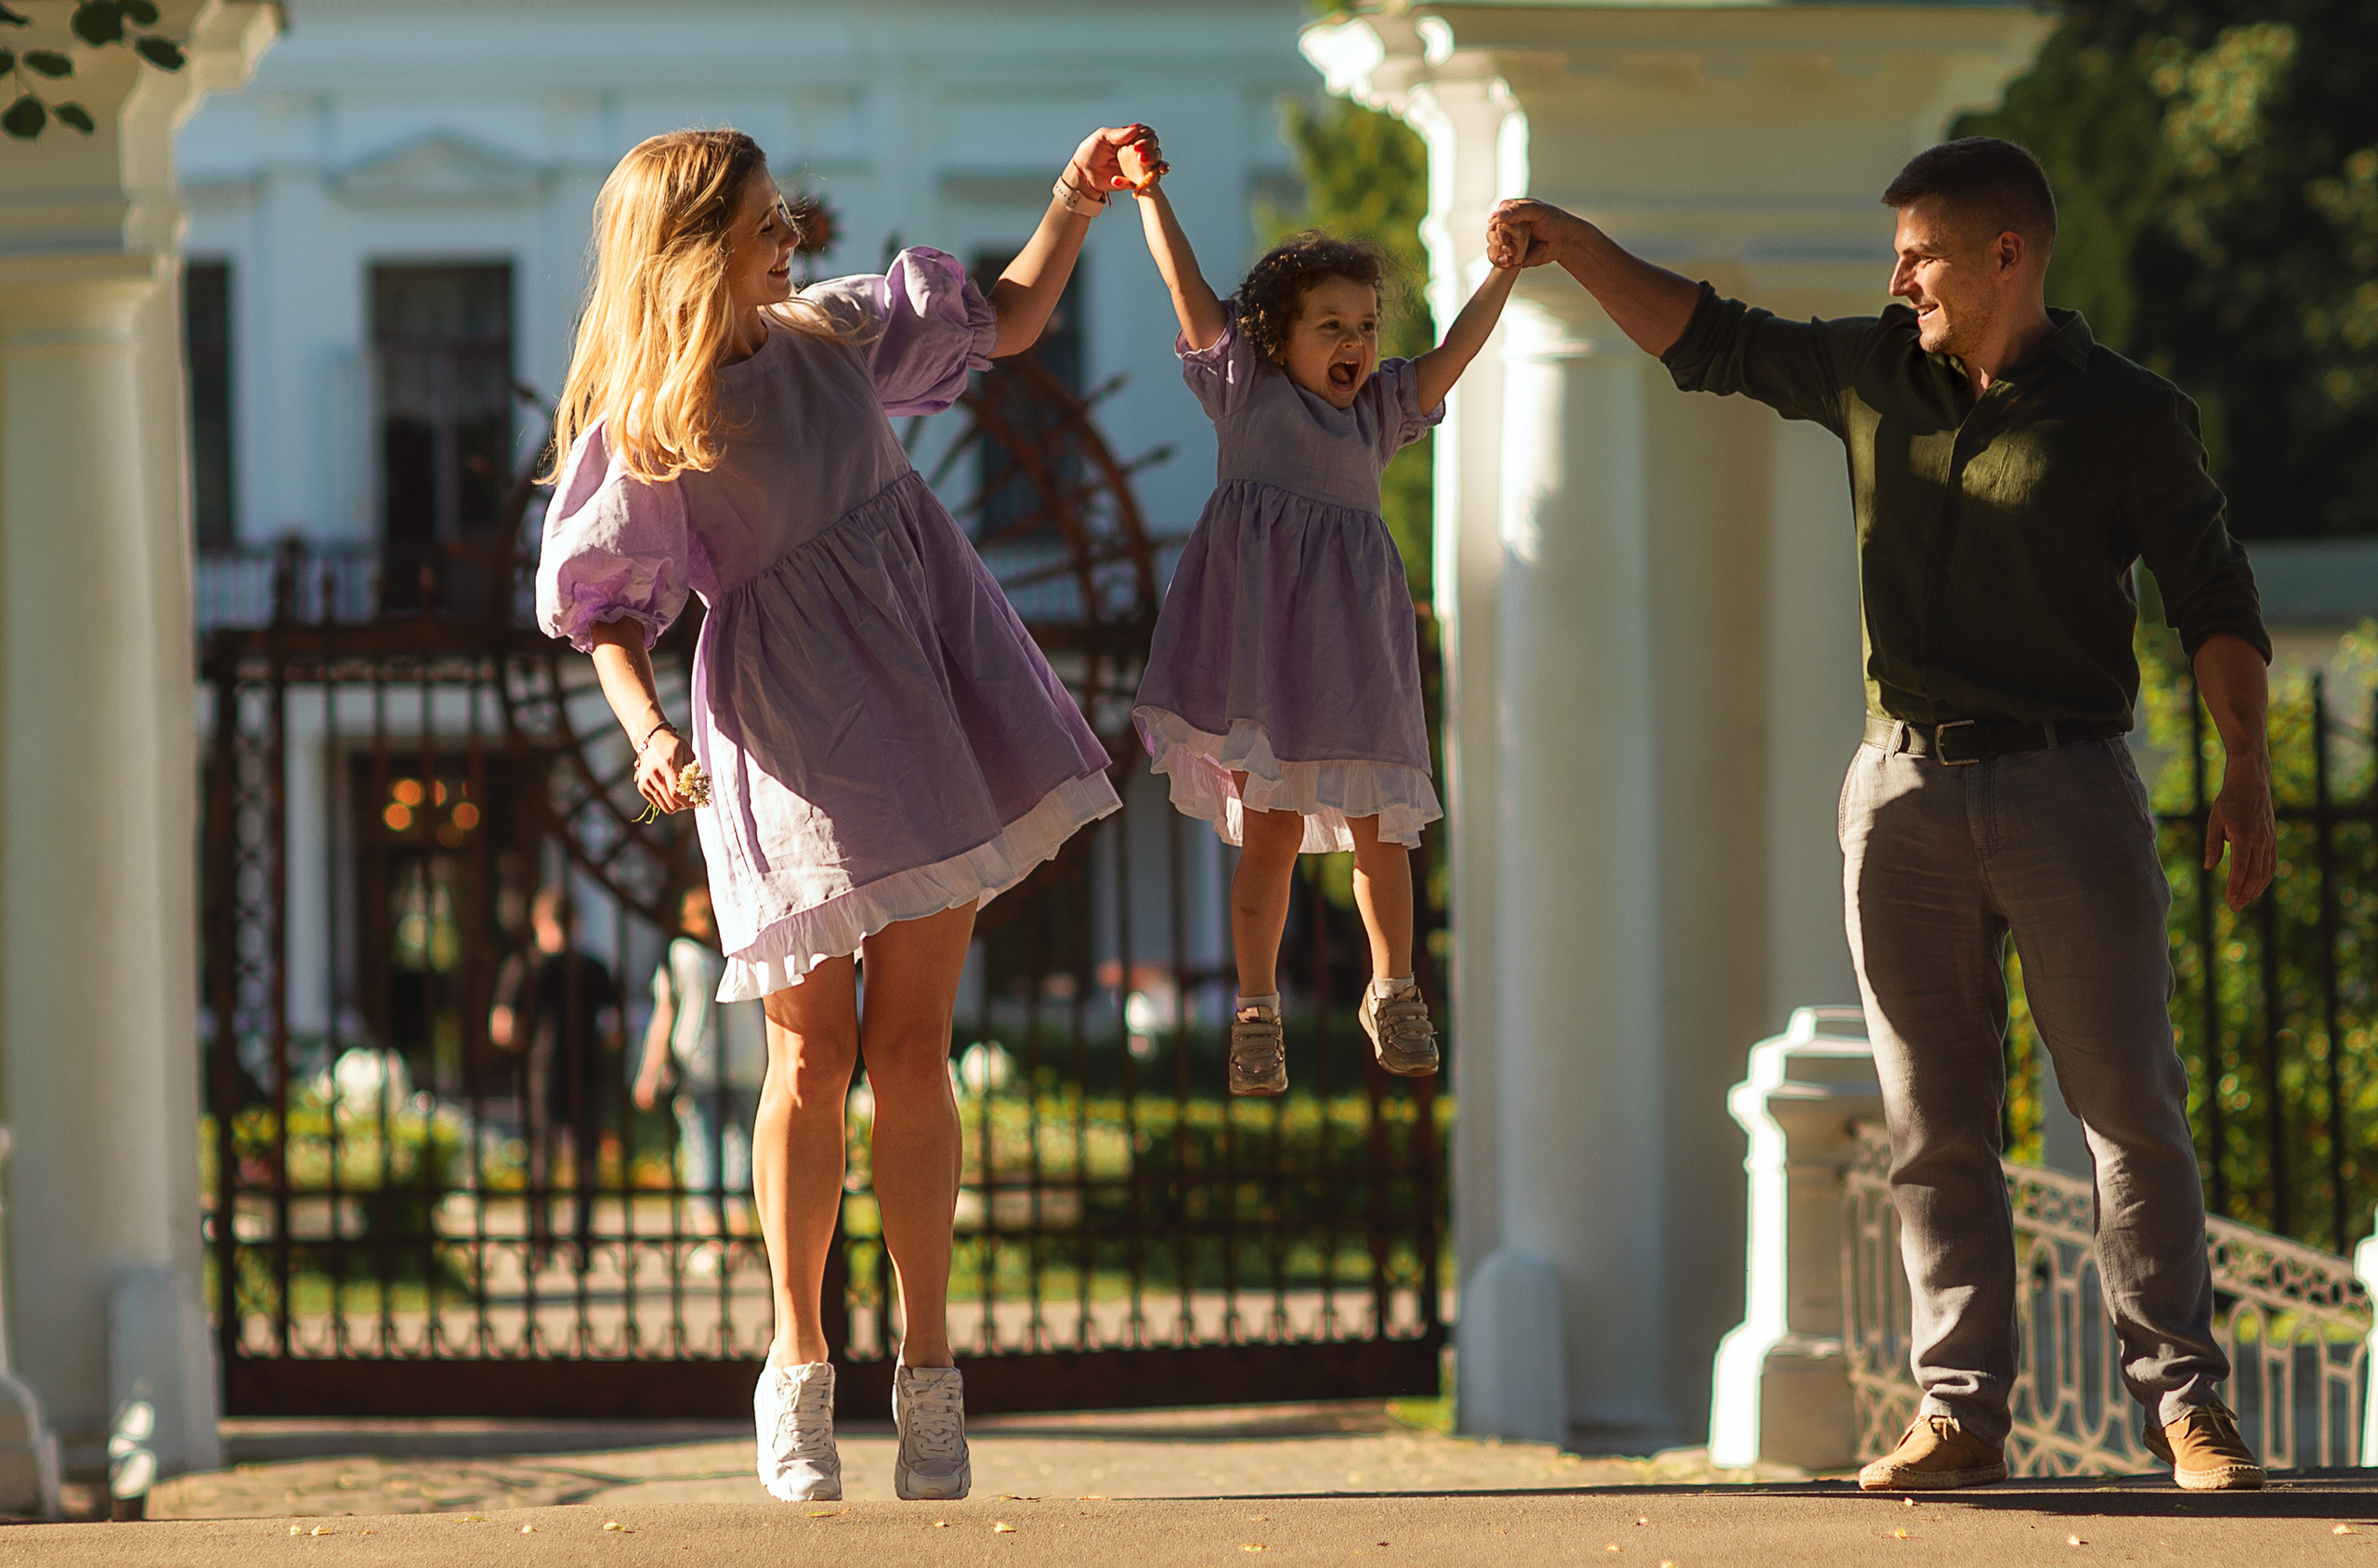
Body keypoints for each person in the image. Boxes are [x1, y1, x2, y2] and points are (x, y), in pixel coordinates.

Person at [1489, 137, 2277, 1495]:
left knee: (2127, 1115)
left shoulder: (2128, 414)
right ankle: (1960, 1412)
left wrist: (2247, 767)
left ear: (2005, 257)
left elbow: (2215, 601)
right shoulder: (1873, 374)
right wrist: (1571, 238)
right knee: (1931, 1122)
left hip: (2066, 787)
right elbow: (1711, 342)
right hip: (1899, 791)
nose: (1897, 274)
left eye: (1919, 253)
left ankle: (2184, 1411)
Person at [536, 124, 1142, 1508]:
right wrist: (648, 736)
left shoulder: (831, 334)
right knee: (811, 1059)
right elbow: (601, 612)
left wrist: (1074, 195)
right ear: (694, 247)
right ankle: (798, 1366)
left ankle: (929, 1373)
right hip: (791, 720)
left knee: (916, 1046)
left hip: (926, 685)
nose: (790, 237)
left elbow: (1016, 317)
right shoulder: (649, 419)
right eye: (763, 222)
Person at [1129, 169, 1522, 1096]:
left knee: (1383, 833)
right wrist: (1151, 198)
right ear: (1278, 336)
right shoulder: (1247, 391)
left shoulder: (1377, 412)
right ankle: (1255, 1010)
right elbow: (1185, 287)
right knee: (1267, 834)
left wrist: (1502, 273)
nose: (1355, 342)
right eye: (1331, 325)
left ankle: (1393, 987)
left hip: (1352, 653)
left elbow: (1456, 352)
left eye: (1366, 326)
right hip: (1267, 656)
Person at [489, 885, 621, 1269]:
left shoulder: (525, 966)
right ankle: (582, 1246)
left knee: (541, 1163)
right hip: (587, 1072)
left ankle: (540, 1246)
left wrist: (527, 1042)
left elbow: (502, 1027)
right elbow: (612, 1030)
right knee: (584, 1164)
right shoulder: (595, 968)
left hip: (542, 1071)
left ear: (538, 921)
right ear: (576, 922)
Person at [632, 883, 765, 1236]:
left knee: (701, 1150)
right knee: (744, 1149)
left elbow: (664, 1016)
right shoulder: (744, 947)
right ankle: (738, 1231)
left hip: (698, 1062)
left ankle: (712, 1236)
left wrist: (649, 1072)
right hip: (749, 1059)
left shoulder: (679, 955)